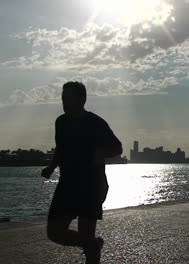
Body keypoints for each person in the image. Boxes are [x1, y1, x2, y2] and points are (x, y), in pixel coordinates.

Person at [41, 81, 122, 264]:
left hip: (92, 185)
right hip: (67, 184)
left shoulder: (95, 123)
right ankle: (92, 245)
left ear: (82, 99)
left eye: (68, 98)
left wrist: (100, 152)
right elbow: (60, 148)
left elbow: (117, 147)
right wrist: (51, 167)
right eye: (63, 98)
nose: (64, 102)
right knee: (54, 232)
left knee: (86, 232)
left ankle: (91, 247)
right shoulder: (61, 122)